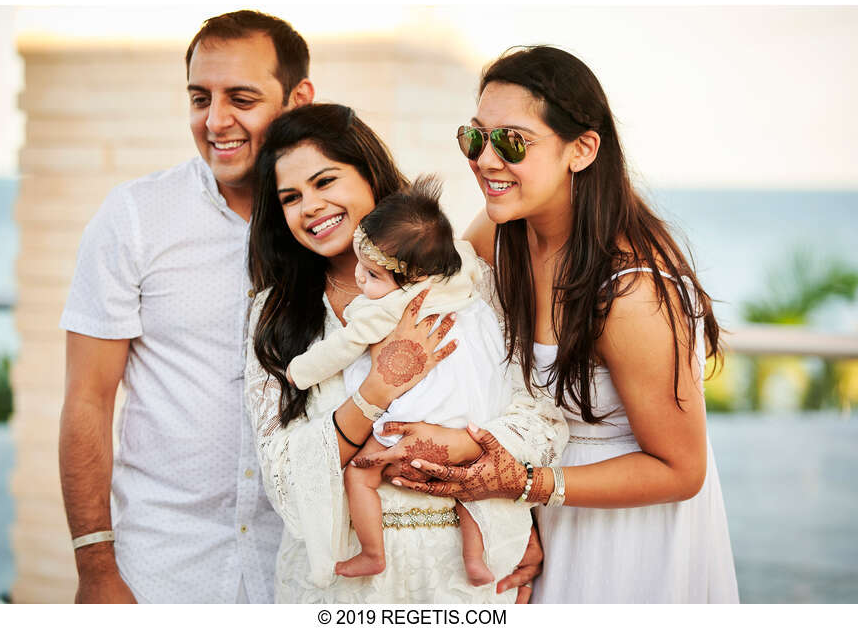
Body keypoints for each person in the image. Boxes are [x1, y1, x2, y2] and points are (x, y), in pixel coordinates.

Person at [391, 45, 740, 603]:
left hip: (626, 540)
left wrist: (525, 485)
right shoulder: (502, 232)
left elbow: (681, 469)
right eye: (475, 137)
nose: (484, 159)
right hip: (539, 514)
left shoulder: (632, 292)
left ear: (582, 149)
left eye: (512, 142)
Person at [245, 103, 567, 603]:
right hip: (344, 587)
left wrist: (455, 443)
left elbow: (541, 417)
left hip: (464, 577)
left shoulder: (461, 275)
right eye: (290, 198)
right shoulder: (276, 312)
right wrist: (379, 388)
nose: (309, 206)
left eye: (325, 181)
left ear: (370, 175)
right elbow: (285, 479)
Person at [57, 10, 314, 603]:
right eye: (200, 98)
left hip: (300, 573)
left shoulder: (339, 222)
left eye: (241, 98)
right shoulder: (135, 216)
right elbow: (88, 400)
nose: (215, 121)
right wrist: (95, 568)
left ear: (298, 98)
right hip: (160, 570)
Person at [286, 176, 516, 585]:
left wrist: (299, 371)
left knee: (360, 473)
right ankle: (476, 557)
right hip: (468, 416)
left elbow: (340, 348)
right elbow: (462, 246)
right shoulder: (457, 273)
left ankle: (372, 553)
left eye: (373, 275)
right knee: (466, 483)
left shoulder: (388, 307)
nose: (360, 278)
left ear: (410, 279)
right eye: (362, 265)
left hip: (412, 416)